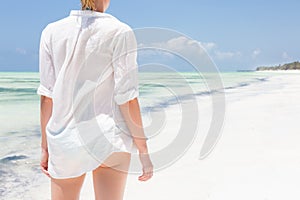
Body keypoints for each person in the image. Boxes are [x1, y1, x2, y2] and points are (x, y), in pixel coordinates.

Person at [37, 0, 153, 199]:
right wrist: (143, 150)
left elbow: (47, 96)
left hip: (65, 140)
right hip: (109, 138)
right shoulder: (120, 31)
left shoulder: (51, 31)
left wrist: (45, 147)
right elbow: (127, 98)